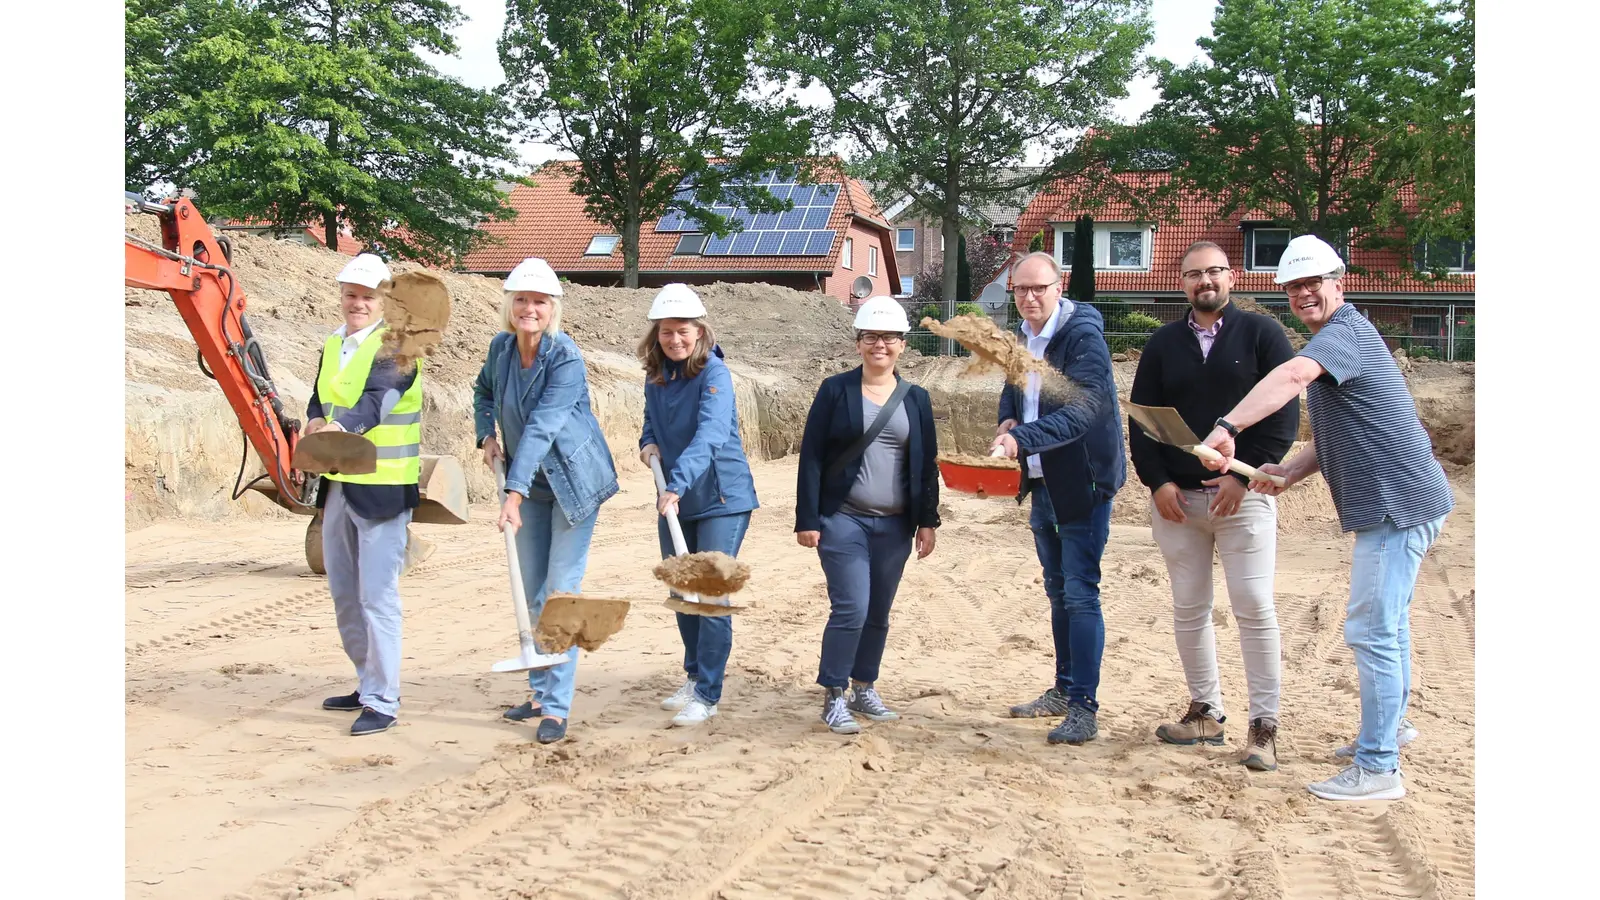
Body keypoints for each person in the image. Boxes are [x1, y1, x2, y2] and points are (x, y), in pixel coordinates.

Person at [1198, 234, 1453, 801]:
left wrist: (1228, 428)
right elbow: (1339, 432)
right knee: (1392, 626)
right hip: (1405, 501)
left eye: (1314, 282)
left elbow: (1290, 379)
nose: (1304, 293)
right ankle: (1391, 729)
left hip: (1397, 506)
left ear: (1340, 282)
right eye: (1293, 286)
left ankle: (1380, 766)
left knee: (1372, 629)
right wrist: (1287, 473)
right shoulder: (1343, 337)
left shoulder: (1343, 335)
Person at [1130, 241, 1298, 771]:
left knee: (1254, 608)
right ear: (1182, 283)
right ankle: (1206, 713)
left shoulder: (1263, 335)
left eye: (1215, 272)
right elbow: (1144, 421)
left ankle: (1264, 728)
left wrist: (1243, 483)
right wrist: (1157, 484)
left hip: (1241, 499)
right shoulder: (1162, 344)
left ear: (1231, 276)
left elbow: (1283, 416)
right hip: (1178, 504)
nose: (1206, 282)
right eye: (1194, 274)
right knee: (1189, 609)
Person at [475, 257, 620, 745]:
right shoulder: (500, 349)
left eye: (539, 301)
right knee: (532, 592)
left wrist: (510, 493)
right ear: (509, 304)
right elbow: (482, 393)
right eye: (522, 300)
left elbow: (541, 428)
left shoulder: (566, 359)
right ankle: (539, 692)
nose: (529, 309)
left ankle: (556, 708)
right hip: (529, 484)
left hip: (572, 486)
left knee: (559, 594)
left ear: (553, 308)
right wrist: (485, 436)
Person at [990, 251, 1125, 746]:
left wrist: (1021, 441)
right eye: (1020, 289)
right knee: (1056, 589)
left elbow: (1086, 407)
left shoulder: (1082, 337)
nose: (1029, 297)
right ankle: (1064, 689)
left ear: (1059, 285)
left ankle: (1084, 708)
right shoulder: (1020, 337)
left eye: (1038, 288)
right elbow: (1014, 389)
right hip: (1043, 480)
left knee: (1080, 590)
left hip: (1084, 481)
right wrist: (1008, 418)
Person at [795, 296, 940, 735]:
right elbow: (813, 457)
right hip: (844, 518)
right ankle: (834, 693)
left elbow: (926, 461)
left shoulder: (916, 398)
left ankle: (865, 686)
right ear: (858, 343)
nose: (880, 344)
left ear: (902, 344)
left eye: (889, 337)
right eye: (871, 337)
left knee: (878, 611)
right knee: (852, 608)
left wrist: (928, 521)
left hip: (895, 524)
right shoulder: (834, 390)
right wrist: (807, 518)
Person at [308, 253, 422, 737]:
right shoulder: (335, 343)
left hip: (382, 490)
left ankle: (383, 699)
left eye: (367, 296)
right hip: (339, 483)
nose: (357, 303)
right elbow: (322, 395)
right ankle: (365, 681)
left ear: (385, 300)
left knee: (377, 596)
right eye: (351, 294)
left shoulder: (398, 348)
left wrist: (343, 425)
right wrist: (315, 419)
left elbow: (377, 403)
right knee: (344, 593)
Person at [637, 284, 760, 727]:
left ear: (700, 331)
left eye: (683, 331)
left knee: (710, 594)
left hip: (721, 498)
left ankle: (708, 694)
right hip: (677, 498)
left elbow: (709, 435)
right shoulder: (656, 375)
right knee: (680, 590)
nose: (675, 340)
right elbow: (651, 423)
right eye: (667, 332)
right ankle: (692, 677)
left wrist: (675, 483)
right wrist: (647, 444)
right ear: (657, 334)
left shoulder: (715, 374)